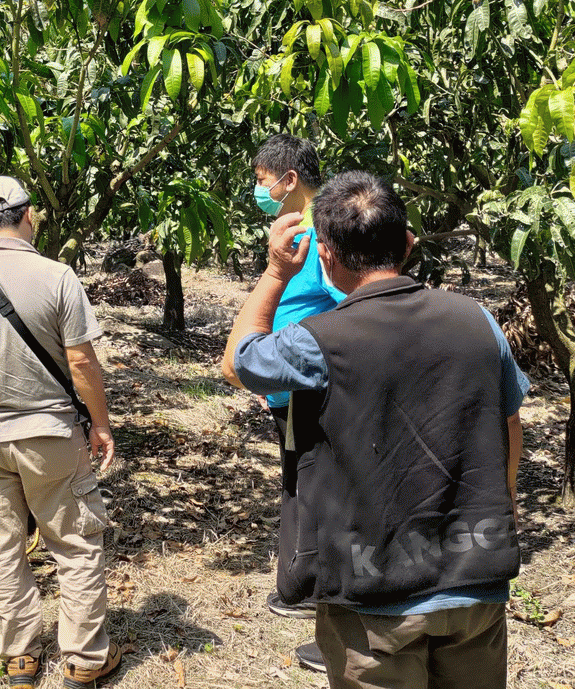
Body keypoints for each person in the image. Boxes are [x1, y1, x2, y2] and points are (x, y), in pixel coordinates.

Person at [222, 172, 528, 689]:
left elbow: (236, 363)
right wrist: (505, 502)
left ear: (327, 257)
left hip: (371, 593)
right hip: (475, 579)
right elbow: (509, 423)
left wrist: (275, 272)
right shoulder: (477, 320)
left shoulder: (319, 341)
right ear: (408, 244)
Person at [0, 176, 122, 689]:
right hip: (51, 433)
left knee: (3, 547)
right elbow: (81, 359)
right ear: (29, 215)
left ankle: (20, 656)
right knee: (75, 543)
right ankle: (83, 658)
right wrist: (100, 424)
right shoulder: (58, 275)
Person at [246, 134, 344, 672]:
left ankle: (304, 585)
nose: (259, 191)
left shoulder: (322, 233)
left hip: (308, 382)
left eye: (263, 181)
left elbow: (349, 297)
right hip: (289, 381)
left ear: (288, 180)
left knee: (308, 479)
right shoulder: (298, 230)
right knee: (296, 474)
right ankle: (298, 582)